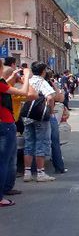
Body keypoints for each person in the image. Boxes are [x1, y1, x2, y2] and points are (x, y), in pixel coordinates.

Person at [0, 59, 33, 206]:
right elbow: (25, 92)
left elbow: (4, 86)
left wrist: (10, 77)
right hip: (5, 124)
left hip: (5, 123)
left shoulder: (2, 84)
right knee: (4, 162)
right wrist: (26, 77)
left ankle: (5, 190)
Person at [23, 62, 56, 182]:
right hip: (40, 117)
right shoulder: (42, 82)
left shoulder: (28, 81)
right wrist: (51, 111)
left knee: (29, 143)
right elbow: (51, 97)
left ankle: (27, 172)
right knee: (41, 143)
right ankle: (40, 173)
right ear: (43, 71)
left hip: (27, 116)